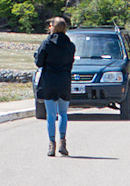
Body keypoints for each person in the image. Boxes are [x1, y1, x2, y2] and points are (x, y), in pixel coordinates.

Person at [34, 15, 76, 158]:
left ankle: (51, 145)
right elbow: (70, 64)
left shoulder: (46, 44)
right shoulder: (70, 45)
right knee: (63, 113)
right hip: (64, 81)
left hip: (49, 81)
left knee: (51, 114)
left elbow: (39, 62)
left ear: (53, 27)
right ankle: (63, 143)